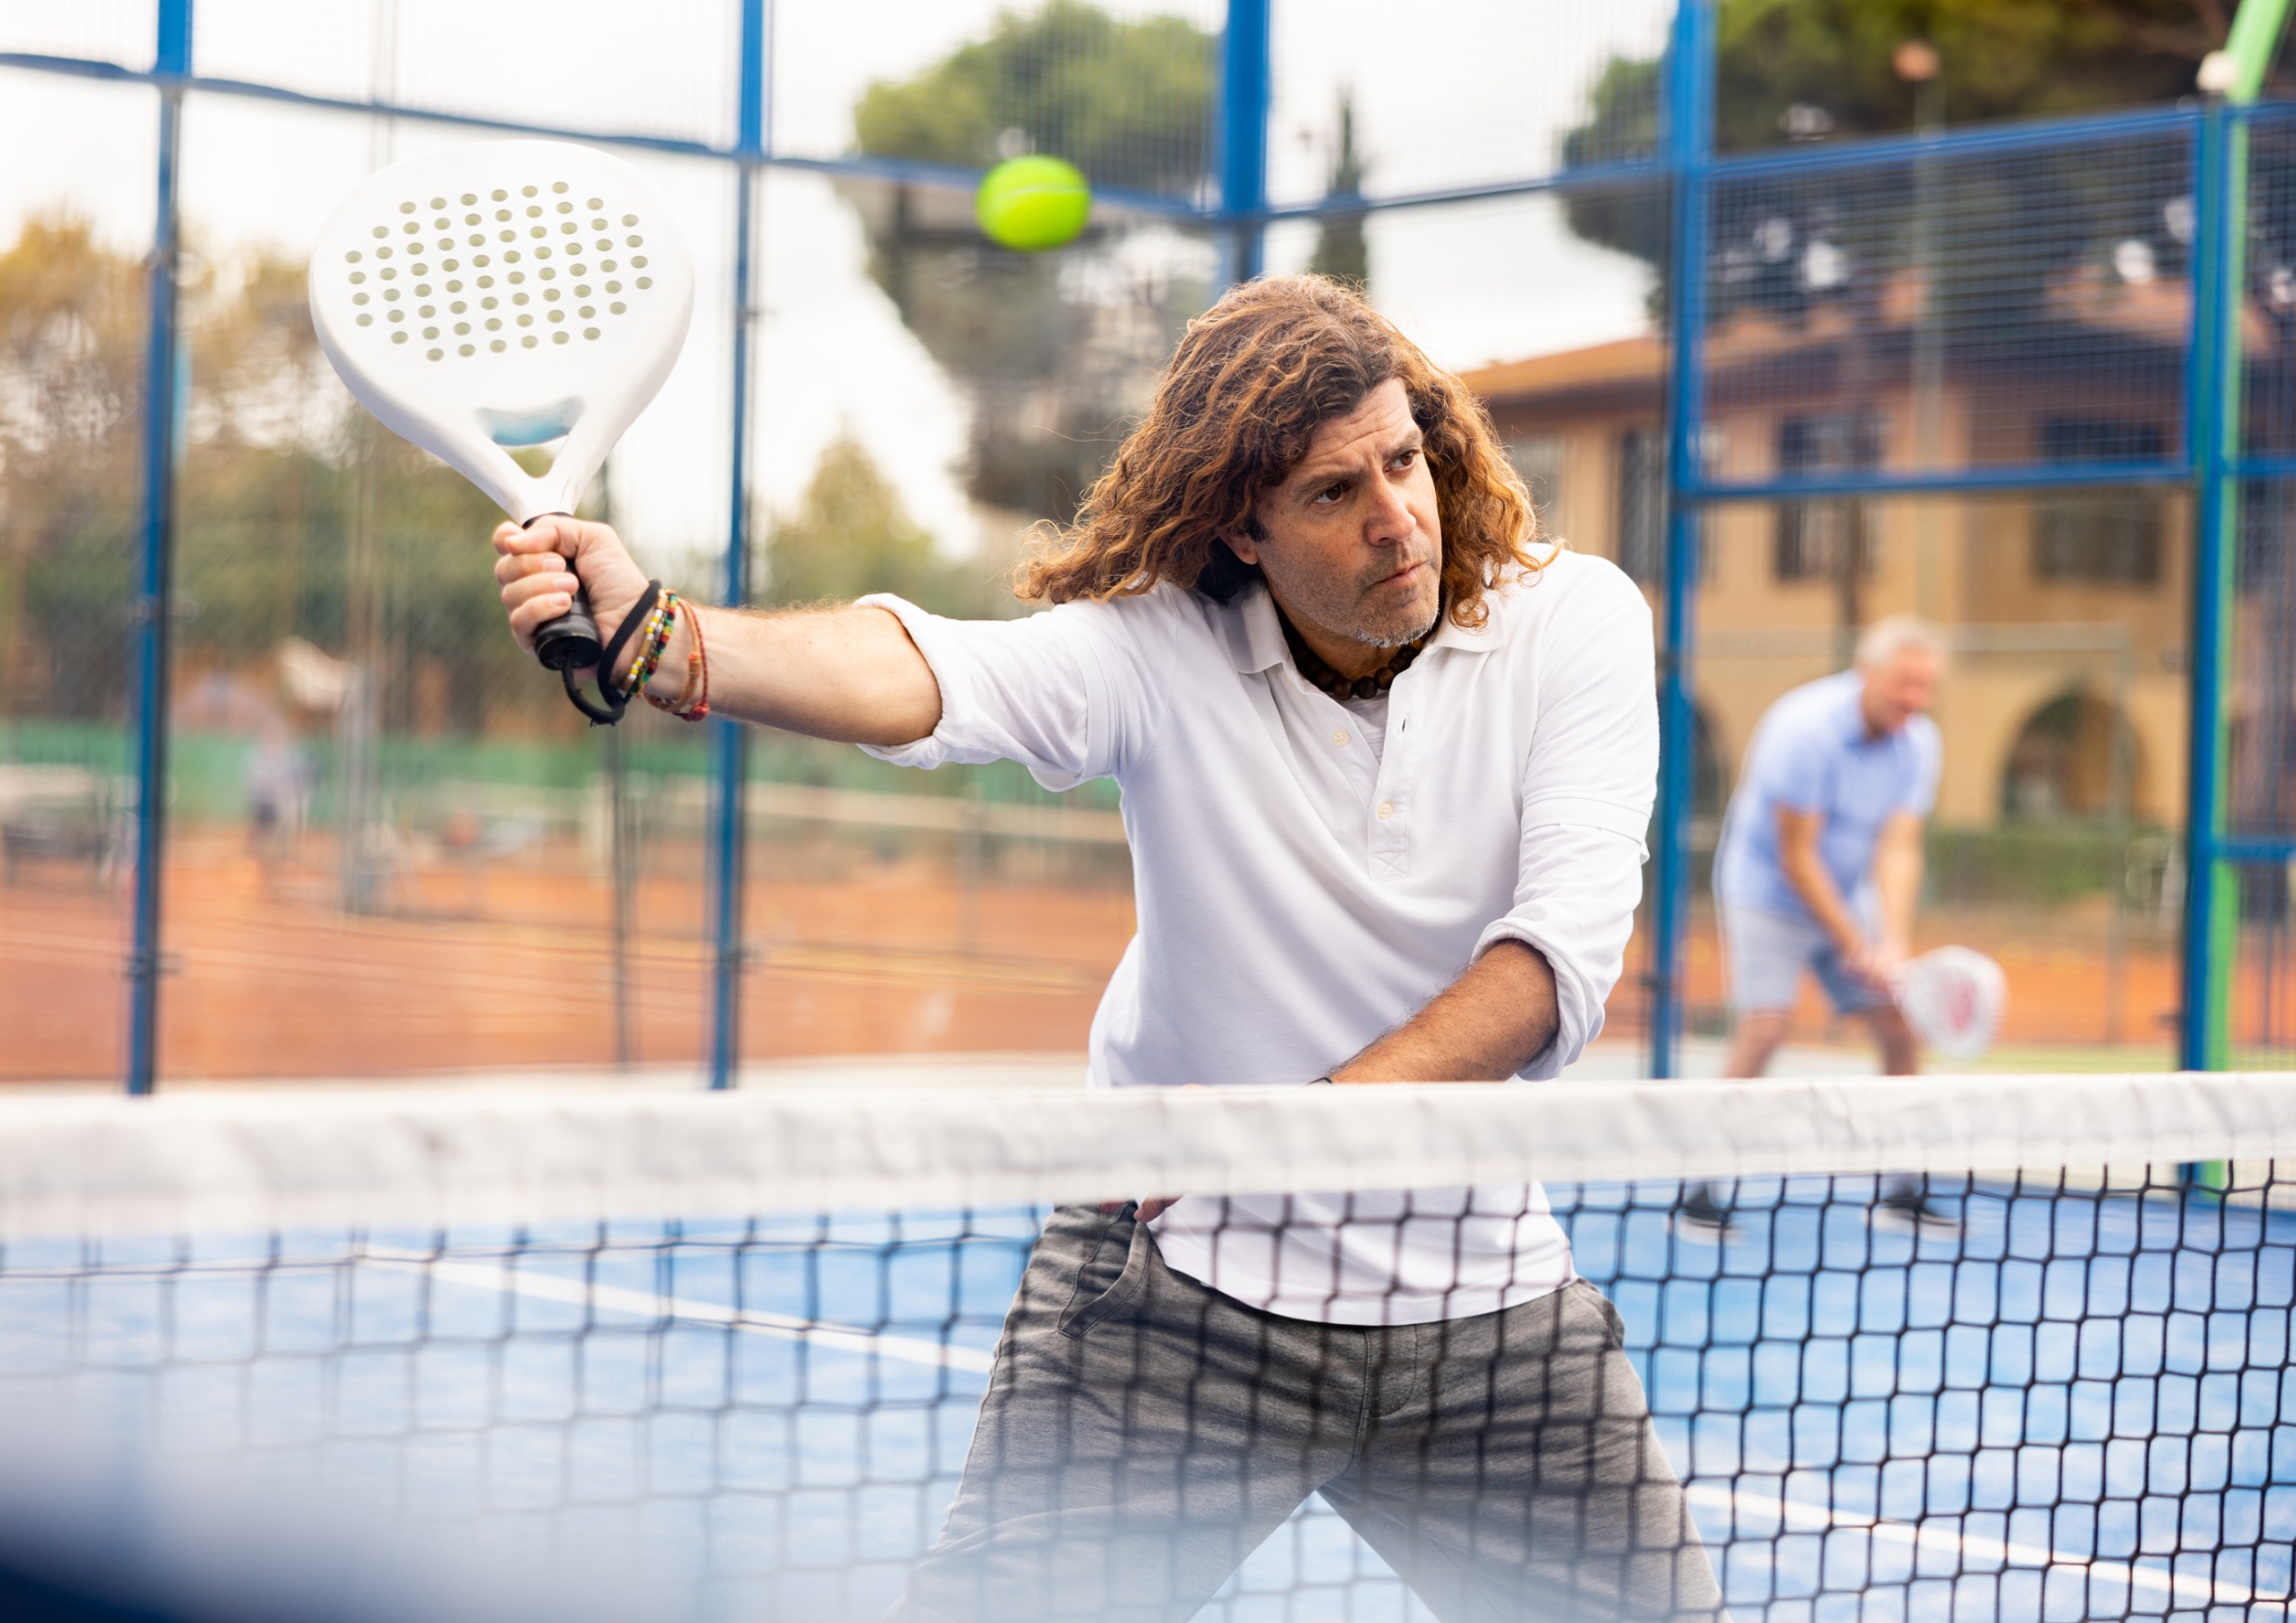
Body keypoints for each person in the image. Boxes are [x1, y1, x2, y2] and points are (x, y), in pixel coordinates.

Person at [489, 276, 1721, 1623]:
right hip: (1181, 1299)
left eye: (1403, 462)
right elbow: (934, 674)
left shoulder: (1577, 624)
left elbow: (1551, 969)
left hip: (1491, 1320)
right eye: (1331, 494)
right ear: (1242, 531)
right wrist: (668, 639)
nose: (1396, 519)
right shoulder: (1157, 655)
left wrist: (1294, 1136)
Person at [1691, 615, 1949, 1234]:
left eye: (1924, 687)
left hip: (1847, 894)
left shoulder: (1920, 744)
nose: (1912, 699)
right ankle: (1699, 1187)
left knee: (1899, 1027)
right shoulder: (1802, 727)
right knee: (1767, 1028)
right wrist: (1856, 943)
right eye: (1901, 684)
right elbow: (1797, 856)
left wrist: (1890, 940)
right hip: (1767, 893)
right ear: (1868, 673)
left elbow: (1899, 849)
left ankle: (1902, 1188)